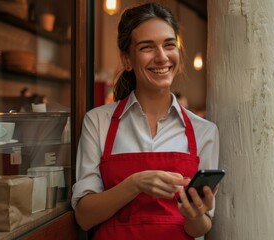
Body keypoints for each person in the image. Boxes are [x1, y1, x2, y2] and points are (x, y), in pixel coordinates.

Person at [71, 3, 220, 239]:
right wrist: (135, 184)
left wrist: (195, 215)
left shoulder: (204, 131)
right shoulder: (98, 122)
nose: (162, 57)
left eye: (169, 45)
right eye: (147, 47)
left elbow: (200, 228)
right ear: (127, 59)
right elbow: (84, 217)